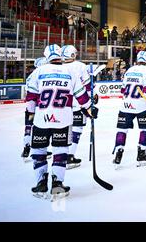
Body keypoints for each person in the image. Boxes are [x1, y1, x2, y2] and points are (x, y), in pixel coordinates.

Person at [25, 44, 97, 199]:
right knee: (60, 151)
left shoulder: (38, 72)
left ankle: (41, 183)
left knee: (39, 151)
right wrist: (91, 109)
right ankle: (57, 184)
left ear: (46, 56)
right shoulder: (70, 72)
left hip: (41, 120)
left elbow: (30, 98)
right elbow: (82, 97)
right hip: (63, 120)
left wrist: (31, 114)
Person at [112, 50, 146, 168]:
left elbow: (122, 89)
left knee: (122, 129)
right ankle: (141, 154)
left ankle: (118, 153)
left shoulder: (129, 70)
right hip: (141, 105)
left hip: (125, 104)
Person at [61, 45, 93, 169]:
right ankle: (69, 156)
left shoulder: (58, 67)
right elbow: (88, 85)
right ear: (73, 54)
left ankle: (60, 157)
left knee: (62, 130)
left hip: (61, 106)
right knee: (77, 129)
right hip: (78, 104)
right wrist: (92, 101)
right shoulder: (80, 66)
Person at [21, 57, 48, 160]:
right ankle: (40, 148)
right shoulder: (42, 76)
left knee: (28, 127)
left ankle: (26, 146)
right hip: (40, 107)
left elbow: (28, 93)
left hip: (30, 106)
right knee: (40, 129)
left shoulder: (30, 76)